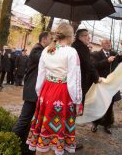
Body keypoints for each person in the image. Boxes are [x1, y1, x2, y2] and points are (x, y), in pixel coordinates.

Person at [26, 23, 83, 155]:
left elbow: (41, 76)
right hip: (62, 94)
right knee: (56, 130)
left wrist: (40, 95)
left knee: (45, 129)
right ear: (70, 36)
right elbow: (74, 80)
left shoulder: (46, 50)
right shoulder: (71, 52)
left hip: (46, 91)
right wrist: (77, 100)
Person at [12, 31, 51, 155]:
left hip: (36, 93)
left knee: (30, 122)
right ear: (45, 40)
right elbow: (45, 58)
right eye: (51, 40)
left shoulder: (40, 49)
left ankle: (24, 147)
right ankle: (9, 142)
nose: (52, 42)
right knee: (23, 120)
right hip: (32, 93)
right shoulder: (36, 50)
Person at [91, 39, 122, 134]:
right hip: (101, 83)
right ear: (101, 44)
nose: (109, 44)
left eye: (110, 43)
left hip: (111, 85)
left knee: (109, 105)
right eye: (106, 43)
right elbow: (95, 65)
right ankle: (95, 124)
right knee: (98, 104)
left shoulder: (114, 53)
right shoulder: (96, 54)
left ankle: (107, 125)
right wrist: (107, 61)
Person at [72, 29, 100, 105]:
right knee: (79, 104)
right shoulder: (82, 47)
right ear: (81, 37)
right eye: (87, 35)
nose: (89, 38)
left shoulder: (73, 46)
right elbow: (88, 64)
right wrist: (96, 78)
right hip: (80, 80)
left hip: (72, 79)